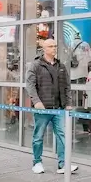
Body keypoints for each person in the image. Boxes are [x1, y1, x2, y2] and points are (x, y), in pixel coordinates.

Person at [25, 38, 78, 175]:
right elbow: (30, 85)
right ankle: (37, 162)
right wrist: (36, 101)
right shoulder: (36, 65)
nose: (54, 48)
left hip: (58, 108)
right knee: (38, 136)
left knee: (62, 135)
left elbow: (67, 86)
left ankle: (63, 163)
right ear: (44, 49)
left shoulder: (61, 66)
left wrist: (68, 103)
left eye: (55, 46)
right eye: (50, 46)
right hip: (43, 108)